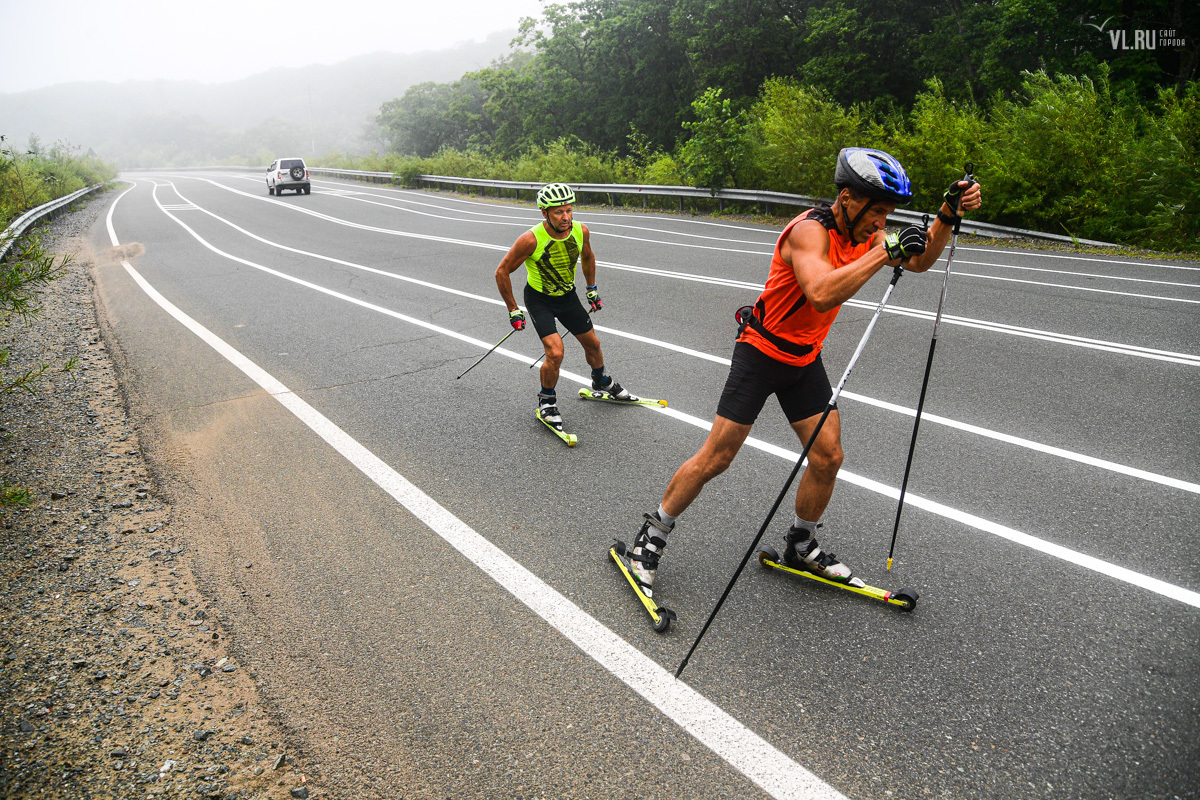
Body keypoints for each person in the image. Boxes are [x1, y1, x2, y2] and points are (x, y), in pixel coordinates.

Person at [627, 148, 982, 597]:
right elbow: (819, 292)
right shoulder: (809, 232)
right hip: (760, 353)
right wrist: (883, 252)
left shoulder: (866, 234)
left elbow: (918, 260)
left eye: (889, 215)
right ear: (848, 199)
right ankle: (651, 537)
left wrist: (946, 215)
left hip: (803, 359)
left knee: (828, 456)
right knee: (717, 458)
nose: (882, 223)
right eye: (878, 212)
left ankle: (800, 543)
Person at [495, 182, 633, 432]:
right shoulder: (530, 239)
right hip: (540, 300)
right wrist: (513, 309)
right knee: (555, 352)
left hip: (568, 298)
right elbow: (502, 272)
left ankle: (600, 381)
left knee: (593, 344)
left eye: (569, 210)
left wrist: (592, 289)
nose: (566, 217)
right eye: (558, 212)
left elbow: (588, 257)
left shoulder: (581, 231)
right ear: (544, 213)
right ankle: (546, 401)